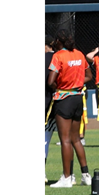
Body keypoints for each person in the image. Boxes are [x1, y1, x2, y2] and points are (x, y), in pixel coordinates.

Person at [46, 29, 94, 188]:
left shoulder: (58, 56)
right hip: (78, 98)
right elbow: (89, 76)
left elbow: (50, 81)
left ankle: (67, 178)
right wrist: (77, 83)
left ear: (59, 41)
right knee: (76, 139)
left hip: (64, 99)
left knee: (65, 139)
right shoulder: (80, 54)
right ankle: (86, 175)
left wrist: (60, 86)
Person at [44, 34, 59, 184]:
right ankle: (69, 176)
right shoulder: (59, 57)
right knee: (67, 140)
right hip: (60, 102)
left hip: (46, 105)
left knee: (44, 140)